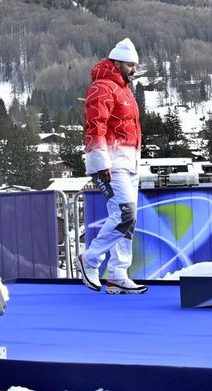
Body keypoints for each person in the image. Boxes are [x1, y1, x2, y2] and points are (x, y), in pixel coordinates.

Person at [77, 39, 148, 293]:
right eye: (130, 64)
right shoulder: (102, 87)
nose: (134, 69)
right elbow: (95, 125)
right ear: (116, 62)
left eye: (135, 65)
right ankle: (90, 258)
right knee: (124, 213)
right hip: (110, 164)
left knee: (129, 219)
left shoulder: (124, 89)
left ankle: (118, 273)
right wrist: (100, 162)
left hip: (129, 163)